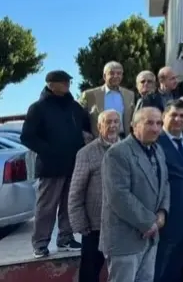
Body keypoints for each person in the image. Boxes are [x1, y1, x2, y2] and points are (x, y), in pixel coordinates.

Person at [21, 69, 91, 258]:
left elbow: (86, 130)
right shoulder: (38, 108)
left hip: (74, 165)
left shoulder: (75, 107)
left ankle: (65, 238)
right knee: (46, 207)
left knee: (70, 204)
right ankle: (40, 243)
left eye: (68, 81)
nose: (68, 84)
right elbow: (27, 137)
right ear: (51, 85)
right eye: (63, 81)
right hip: (51, 167)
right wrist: (49, 151)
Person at [101, 107, 170, 282]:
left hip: (151, 236)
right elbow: (119, 195)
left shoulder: (158, 150)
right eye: (149, 123)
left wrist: (162, 212)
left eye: (159, 123)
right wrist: (149, 222)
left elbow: (165, 184)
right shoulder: (118, 153)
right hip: (125, 238)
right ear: (134, 126)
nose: (156, 128)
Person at [68, 110, 120, 282]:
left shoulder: (129, 148)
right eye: (108, 122)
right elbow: (76, 192)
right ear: (99, 127)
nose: (112, 126)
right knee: (90, 272)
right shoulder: (86, 153)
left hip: (125, 224)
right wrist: (80, 223)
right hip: (95, 225)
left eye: (116, 122)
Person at [154, 100, 183, 282]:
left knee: (178, 264)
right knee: (160, 265)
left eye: (182, 116)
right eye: (174, 115)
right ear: (164, 116)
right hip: (166, 214)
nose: (178, 119)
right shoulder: (156, 142)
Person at [81, 61, 135, 137]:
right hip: (100, 140)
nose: (115, 76)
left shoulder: (129, 94)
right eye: (112, 73)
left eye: (119, 73)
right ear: (104, 76)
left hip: (123, 139)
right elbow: (79, 116)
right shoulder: (90, 95)